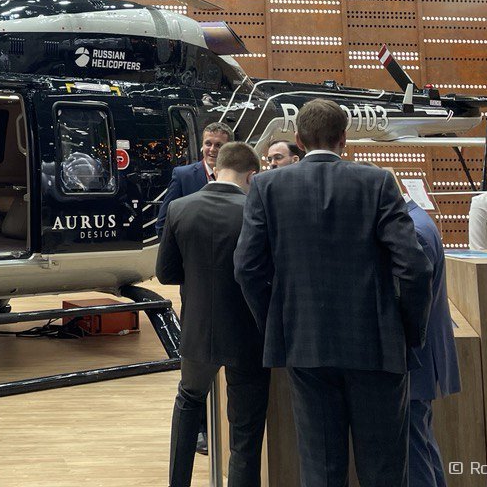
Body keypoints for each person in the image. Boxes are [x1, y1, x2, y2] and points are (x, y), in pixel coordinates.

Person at [234, 99, 432, 487]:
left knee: (321, 470)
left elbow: (247, 269)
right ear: (344, 138)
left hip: (306, 343)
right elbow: (414, 266)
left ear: (298, 139)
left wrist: (279, 323)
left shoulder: (267, 186)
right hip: (377, 347)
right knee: (385, 472)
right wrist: (408, 331)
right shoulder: (377, 182)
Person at [158, 141, 268, 487]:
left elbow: (166, 274)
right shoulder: (255, 211)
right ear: (251, 175)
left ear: (216, 169)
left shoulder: (179, 208)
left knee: (188, 402)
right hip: (247, 331)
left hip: (198, 328)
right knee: (246, 430)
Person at [392, 170, 461, 487]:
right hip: (423, 354)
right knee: (422, 443)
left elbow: (413, 300)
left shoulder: (414, 231)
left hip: (416, 355)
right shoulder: (416, 219)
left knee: (415, 451)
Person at [156, 123, 232, 234]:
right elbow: (162, 224)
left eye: (218, 145)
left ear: (229, 149)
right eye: (208, 143)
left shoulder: (238, 177)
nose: (212, 149)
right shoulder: (183, 176)